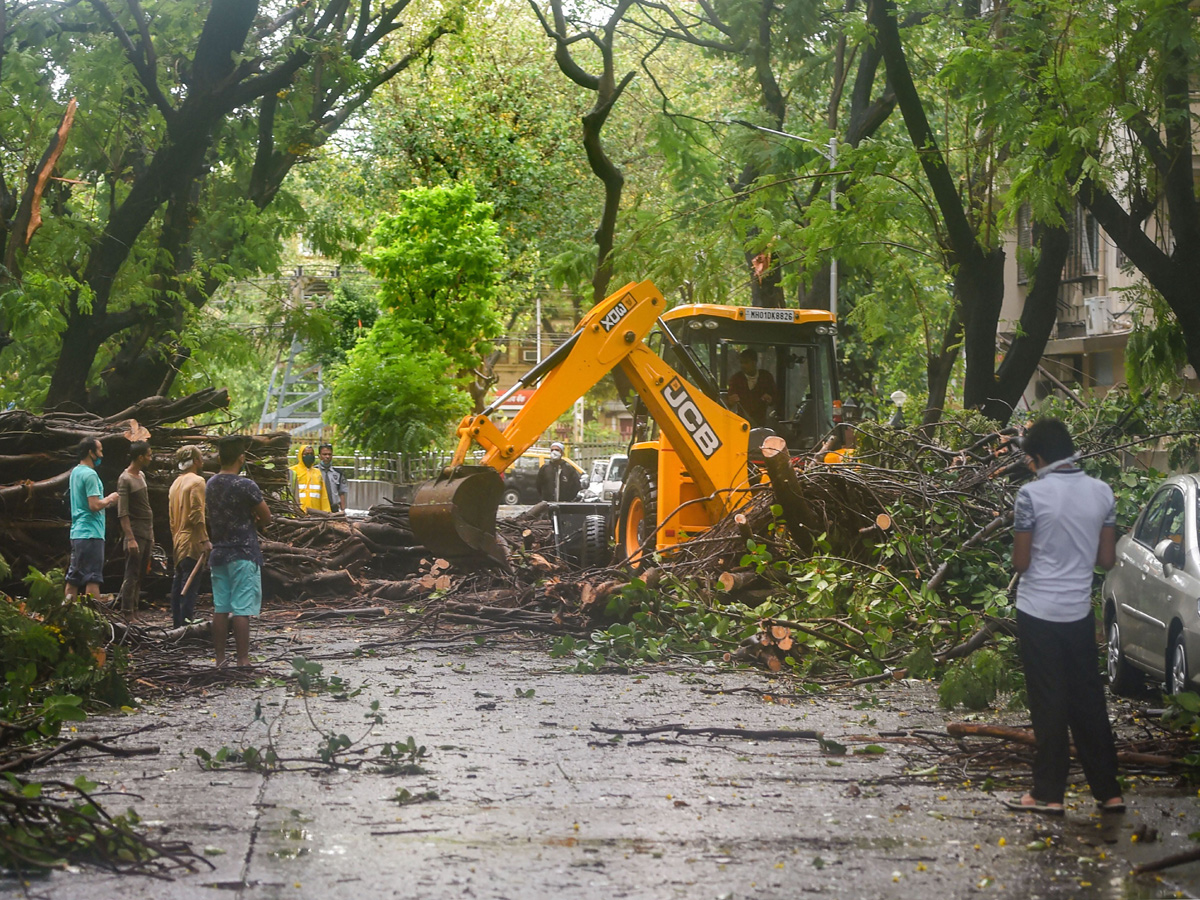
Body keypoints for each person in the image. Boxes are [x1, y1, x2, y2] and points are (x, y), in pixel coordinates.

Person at [1006, 418, 1124, 816]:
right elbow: (1106, 560)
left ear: (1037, 458)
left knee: (1049, 702)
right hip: (1077, 613)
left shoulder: (1030, 496)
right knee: (1089, 700)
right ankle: (1109, 793)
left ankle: (1048, 794)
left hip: (1038, 611)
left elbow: (1021, 562)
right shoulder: (1102, 492)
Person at [207, 436, 271, 668]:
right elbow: (266, 516)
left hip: (219, 552)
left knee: (221, 607)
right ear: (241, 458)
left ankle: (220, 659)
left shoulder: (211, 483)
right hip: (243, 553)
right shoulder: (246, 485)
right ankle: (243, 659)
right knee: (242, 609)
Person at [65, 438, 118, 601]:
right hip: (91, 533)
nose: (101, 454)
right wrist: (110, 498)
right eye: (100, 450)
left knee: (73, 577)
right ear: (91, 452)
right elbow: (94, 505)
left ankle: (67, 616)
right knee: (93, 578)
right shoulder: (90, 475)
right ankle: (95, 620)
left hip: (77, 533)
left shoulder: (76, 472)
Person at [168, 445, 211, 628]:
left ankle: (176, 625)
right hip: (192, 540)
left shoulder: (175, 484)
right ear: (195, 461)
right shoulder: (197, 481)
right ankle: (186, 626)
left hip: (178, 539)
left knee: (179, 584)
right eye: (201, 457)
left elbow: (171, 518)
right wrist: (205, 540)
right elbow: (196, 514)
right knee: (189, 587)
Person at [117, 441, 155, 617]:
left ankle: (135, 609)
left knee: (141, 574)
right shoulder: (125, 479)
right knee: (131, 573)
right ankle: (127, 612)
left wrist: (151, 533)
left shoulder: (141, 475)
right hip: (135, 531)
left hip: (147, 531)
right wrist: (130, 538)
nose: (150, 457)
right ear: (140, 457)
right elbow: (123, 512)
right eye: (148, 454)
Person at [727, 348, 777, 426]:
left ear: (754, 362)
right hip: (741, 423)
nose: (743, 365)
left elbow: (776, 397)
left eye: (746, 362)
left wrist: (770, 398)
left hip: (762, 422)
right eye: (741, 363)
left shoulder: (766, 377)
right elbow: (728, 402)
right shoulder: (736, 379)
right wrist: (731, 401)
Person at [289, 444, 330, 512]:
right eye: (306, 454)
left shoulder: (317, 472)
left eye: (311, 453)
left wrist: (327, 512)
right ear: (300, 455)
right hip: (297, 513)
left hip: (315, 513)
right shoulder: (293, 471)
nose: (309, 456)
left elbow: (324, 496)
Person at [318, 443, 349, 513]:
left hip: (334, 508)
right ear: (319, 456)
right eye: (324, 454)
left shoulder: (338, 473)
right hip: (318, 507)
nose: (327, 457)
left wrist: (343, 510)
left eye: (329, 454)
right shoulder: (314, 472)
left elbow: (341, 493)